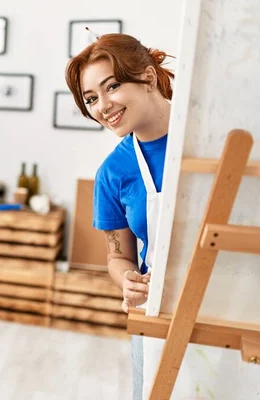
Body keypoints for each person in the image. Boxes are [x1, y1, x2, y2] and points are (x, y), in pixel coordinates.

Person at [65, 33, 174, 399]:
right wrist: (126, 278)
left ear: (147, 76)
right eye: (92, 98)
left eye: (111, 86)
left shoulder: (216, 138)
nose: (103, 106)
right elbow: (118, 256)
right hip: (160, 312)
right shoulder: (114, 172)